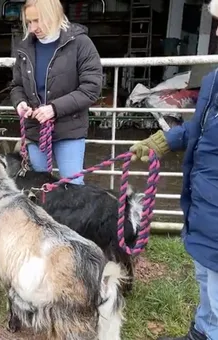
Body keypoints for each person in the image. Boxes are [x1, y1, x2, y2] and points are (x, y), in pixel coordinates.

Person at [130, 1, 218, 339]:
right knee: (206, 278)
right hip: (203, 205)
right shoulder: (213, 81)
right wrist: (162, 141)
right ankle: (201, 333)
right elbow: (199, 127)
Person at [9, 0, 103, 184]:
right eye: (29, 22)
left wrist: (54, 109)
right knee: (38, 186)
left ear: (53, 16)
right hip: (36, 129)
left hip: (69, 128)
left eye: (37, 20)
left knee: (73, 186)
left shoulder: (81, 43)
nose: (33, 27)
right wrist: (20, 103)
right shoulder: (25, 48)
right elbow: (17, 85)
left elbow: (91, 88)